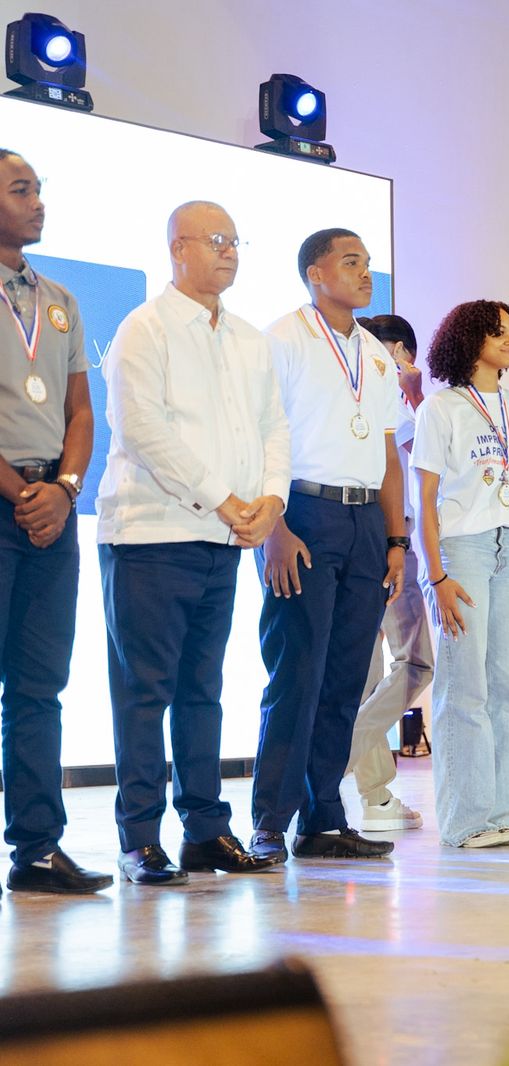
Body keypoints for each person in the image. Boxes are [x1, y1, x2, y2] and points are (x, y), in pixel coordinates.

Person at [98, 201, 286, 883]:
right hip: (151, 534)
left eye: (235, 240)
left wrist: (271, 500)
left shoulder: (246, 337)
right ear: (178, 248)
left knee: (204, 690)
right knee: (144, 692)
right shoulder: (144, 329)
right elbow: (144, 431)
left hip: (221, 538)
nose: (230, 251)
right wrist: (225, 498)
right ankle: (138, 839)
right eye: (216, 240)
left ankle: (205, 831)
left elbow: (272, 425)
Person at [248, 229, 404, 864]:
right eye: (351, 262)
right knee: (298, 673)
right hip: (304, 513)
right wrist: (274, 528)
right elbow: (260, 436)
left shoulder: (375, 353)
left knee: (345, 679)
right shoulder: (282, 339)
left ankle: (324, 819)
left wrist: (396, 538)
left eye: (368, 263)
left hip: (366, 522)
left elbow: (389, 453)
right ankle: (268, 821)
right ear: (315, 274)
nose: (366, 274)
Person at [0, 148, 112, 896]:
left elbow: (80, 409)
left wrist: (65, 490)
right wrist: (20, 493)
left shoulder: (60, 299)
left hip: (53, 511)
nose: (38, 201)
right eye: (20, 190)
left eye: (39, 188)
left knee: (39, 687)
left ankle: (38, 850)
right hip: (8, 500)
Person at [413, 300, 509, 847]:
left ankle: (503, 814)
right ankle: (466, 820)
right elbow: (425, 499)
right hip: (463, 549)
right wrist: (437, 575)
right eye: (498, 332)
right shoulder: (440, 408)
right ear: (469, 338)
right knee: (463, 687)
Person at [345, 312, 433, 831]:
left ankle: (374, 795)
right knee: (411, 663)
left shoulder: (403, 404)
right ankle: (351, 766)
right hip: (389, 541)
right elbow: (421, 464)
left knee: (381, 674)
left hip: (393, 540)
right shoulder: (390, 406)